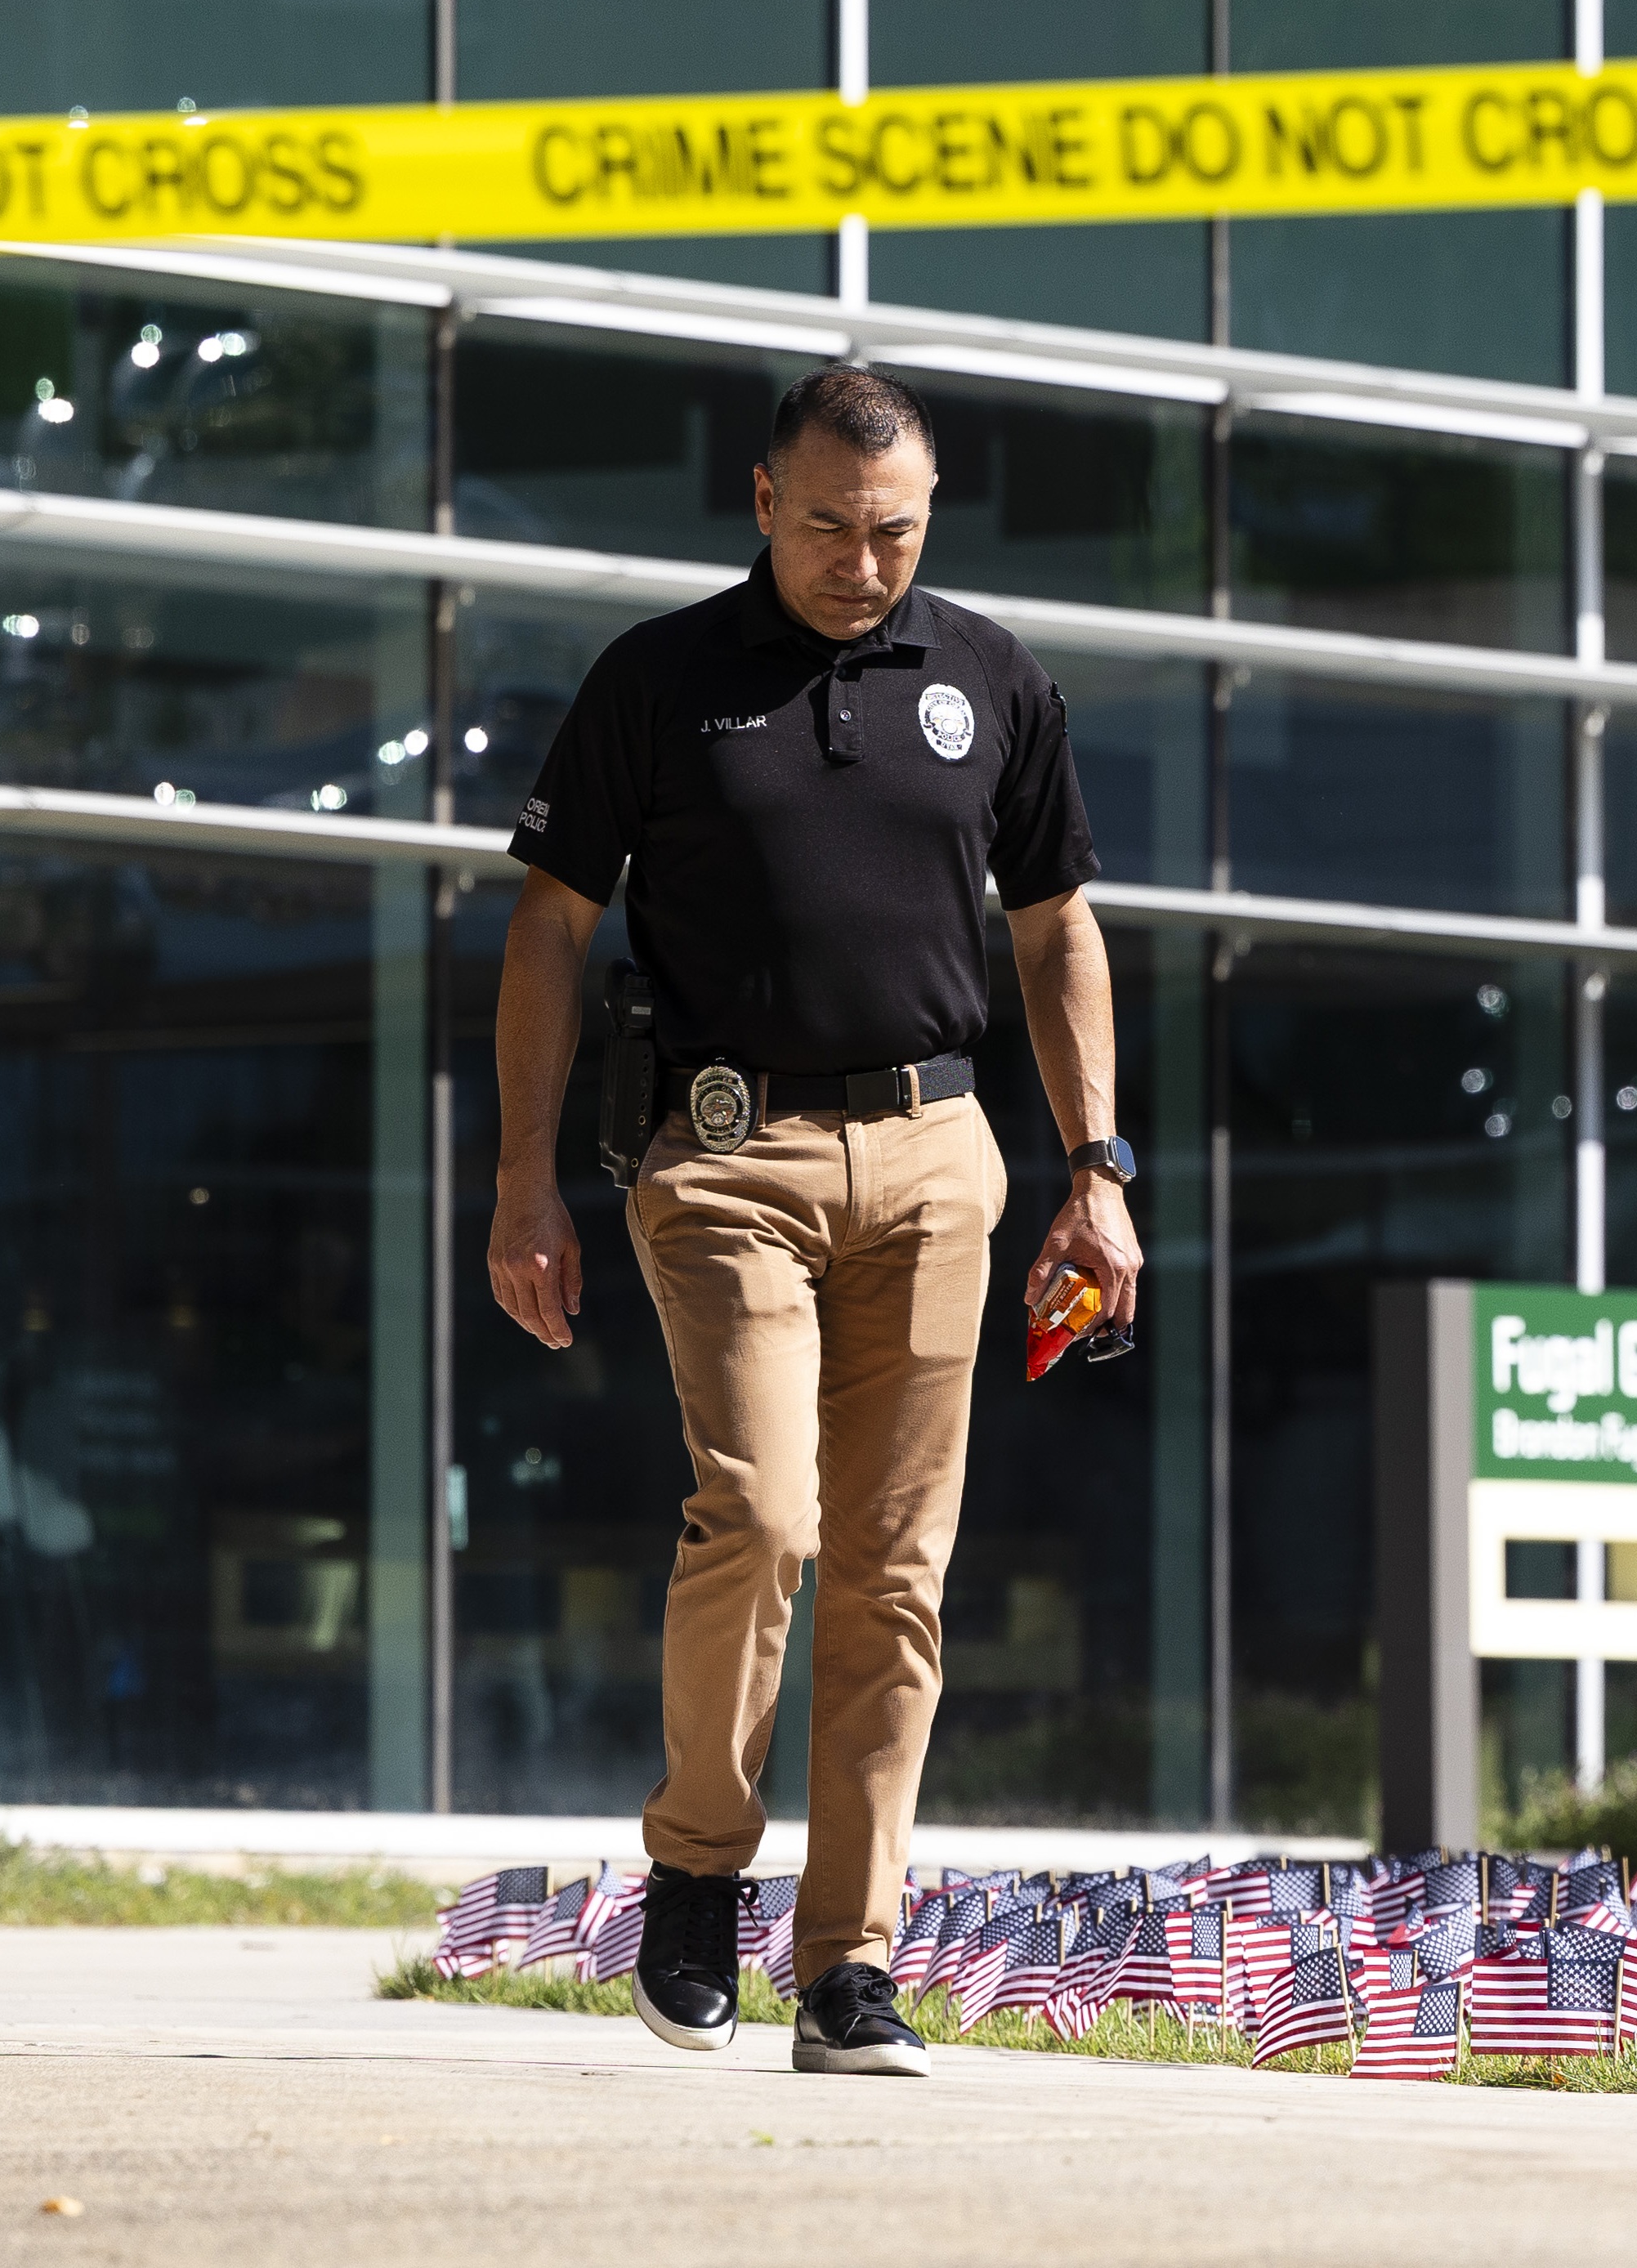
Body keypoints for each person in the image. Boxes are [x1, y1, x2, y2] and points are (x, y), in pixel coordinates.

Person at [484, 364, 1142, 2075]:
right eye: (835, 525)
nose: (867, 560)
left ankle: (850, 1965)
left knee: (899, 1572)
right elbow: (552, 923)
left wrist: (1101, 1168)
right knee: (768, 1516)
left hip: (938, 1155)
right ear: (765, 503)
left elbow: (1059, 927)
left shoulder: (989, 676)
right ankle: (699, 1865)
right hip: (724, 1157)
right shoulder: (661, 678)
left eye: (899, 530)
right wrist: (520, 1177)